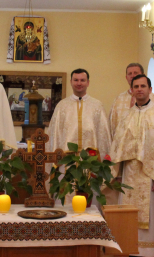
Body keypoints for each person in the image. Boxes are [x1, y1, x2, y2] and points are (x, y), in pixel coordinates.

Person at [111, 75, 154, 257]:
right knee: (129, 213)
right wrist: (118, 172)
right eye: (136, 86)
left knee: (152, 214)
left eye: (143, 86)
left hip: (151, 175)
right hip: (130, 173)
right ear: (131, 90)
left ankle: (151, 252)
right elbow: (118, 145)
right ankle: (130, 250)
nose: (139, 89)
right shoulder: (127, 116)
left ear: (150, 89)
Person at [47, 69, 112, 204]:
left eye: (82, 80)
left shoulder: (97, 106)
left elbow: (103, 135)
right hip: (67, 161)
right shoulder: (62, 106)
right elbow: (54, 134)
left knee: (90, 201)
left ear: (88, 82)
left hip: (91, 161)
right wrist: (55, 158)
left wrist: (104, 160)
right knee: (66, 199)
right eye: (76, 80)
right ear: (71, 82)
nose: (79, 83)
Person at [109, 63, 154, 137]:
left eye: (136, 73)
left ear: (143, 75)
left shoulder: (153, 99)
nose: (133, 76)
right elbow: (112, 125)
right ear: (126, 77)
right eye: (130, 74)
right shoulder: (118, 100)